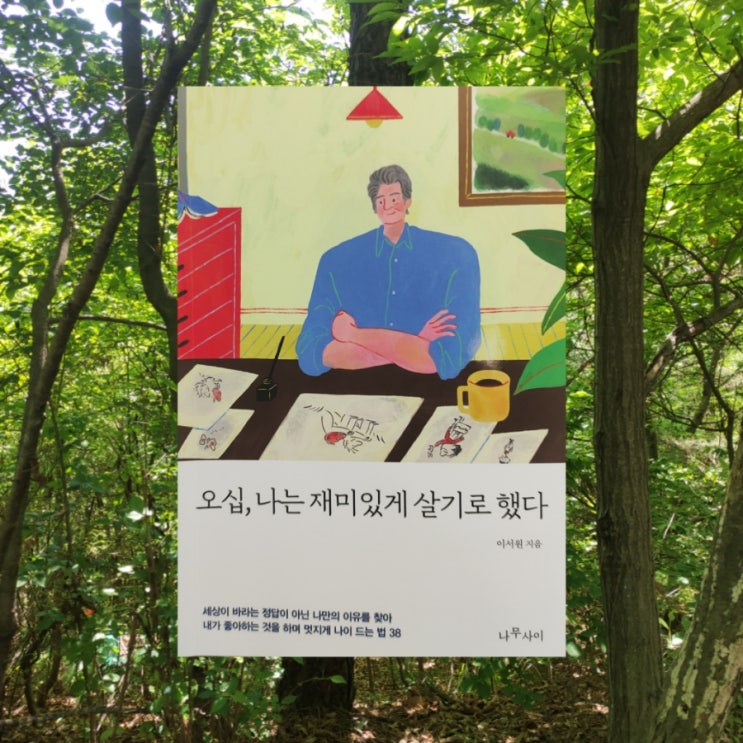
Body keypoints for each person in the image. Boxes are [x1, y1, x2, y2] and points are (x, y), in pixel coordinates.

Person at [296, 165, 481, 380]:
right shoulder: (335, 261)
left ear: (407, 201)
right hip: (351, 386)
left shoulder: (456, 254)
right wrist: (414, 345)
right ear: (374, 206)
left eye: (394, 198)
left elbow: (448, 358)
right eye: (381, 200)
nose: (388, 206)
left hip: (429, 387)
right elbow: (311, 353)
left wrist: (354, 335)